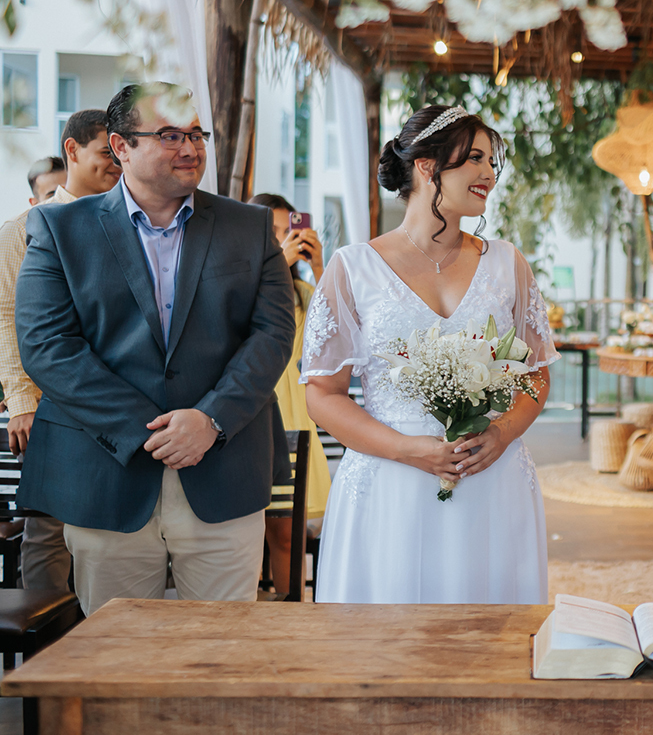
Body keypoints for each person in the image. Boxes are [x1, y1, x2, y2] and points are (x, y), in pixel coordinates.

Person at [14, 82, 294, 616]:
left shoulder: (250, 226)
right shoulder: (57, 227)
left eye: (196, 134)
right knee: (118, 652)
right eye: (169, 135)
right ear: (121, 146)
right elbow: (47, 346)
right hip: (106, 475)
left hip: (224, 469)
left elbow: (273, 334)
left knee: (221, 649)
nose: (190, 148)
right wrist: (149, 431)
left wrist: (210, 420)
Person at [302, 104, 558, 604]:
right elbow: (323, 395)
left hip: (491, 478)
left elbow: (536, 376)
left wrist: (501, 433)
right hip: (390, 483)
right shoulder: (352, 268)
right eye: (474, 159)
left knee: (490, 626)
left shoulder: (508, 263)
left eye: (491, 162)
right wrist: (407, 449)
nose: (488, 174)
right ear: (426, 166)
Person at [0, 113, 122, 591]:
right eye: (107, 152)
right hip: (49, 407)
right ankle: (49, 635)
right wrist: (22, 402)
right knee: (48, 531)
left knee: (118, 532)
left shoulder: (133, 222)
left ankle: (106, 632)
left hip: (119, 403)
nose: (117, 163)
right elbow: (7, 319)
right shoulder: (24, 229)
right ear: (73, 150)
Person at [249, 193, 332, 594]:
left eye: (289, 232)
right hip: (247, 421)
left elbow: (337, 332)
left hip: (292, 423)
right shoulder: (235, 283)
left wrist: (319, 268)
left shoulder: (302, 293)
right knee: (241, 542)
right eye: (273, 233)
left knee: (287, 538)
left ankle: (292, 620)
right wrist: (275, 266)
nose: (284, 240)